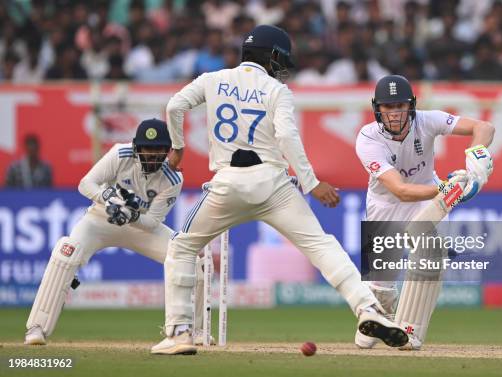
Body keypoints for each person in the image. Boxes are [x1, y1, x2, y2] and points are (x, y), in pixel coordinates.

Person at [152, 24, 408, 355]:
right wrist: (312, 183)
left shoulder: (211, 80)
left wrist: (178, 147)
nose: (283, 66)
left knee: (182, 248)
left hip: (227, 183)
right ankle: (367, 309)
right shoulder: (276, 90)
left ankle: (180, 333)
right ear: (272, 56)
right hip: (273, 184)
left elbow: (174, 106)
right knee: (322, 246)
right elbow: (287, 137)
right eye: (281, 59)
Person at [354, 75, 494, 350]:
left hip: (427, 199)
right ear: (377, 109)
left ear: (411, 106)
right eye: (387, 107)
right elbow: (400, 190)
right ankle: (380, 317)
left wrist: (477, 153)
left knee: (429, 255)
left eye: (400, 106)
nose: (394, 113)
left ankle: (411, 332)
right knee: (380, 290)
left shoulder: (427, 120)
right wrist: (448, 188)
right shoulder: (367, 138)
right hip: (386, 205)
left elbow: (484, 126)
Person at [24, 119, 184, 345]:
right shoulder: (120, 153)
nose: (154, 155)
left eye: (159, 149)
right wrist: (108, 198)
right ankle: (36, 328)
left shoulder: (173, 178)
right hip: (100, 219)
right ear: (138, 148)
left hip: (138, 226)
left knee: (185, 256)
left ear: (167, 150)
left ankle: (187, 332)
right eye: (149, 149)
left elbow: (153, 222)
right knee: (66, 253)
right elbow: (86, 183)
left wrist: (131, 215)